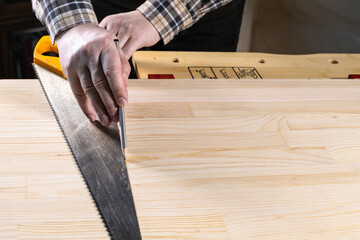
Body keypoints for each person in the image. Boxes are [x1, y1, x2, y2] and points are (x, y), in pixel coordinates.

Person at [32, 0, 245, 126]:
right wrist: (73, 27)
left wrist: (158, 15)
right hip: (89, 9)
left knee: (200, 125)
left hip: (201, 12)